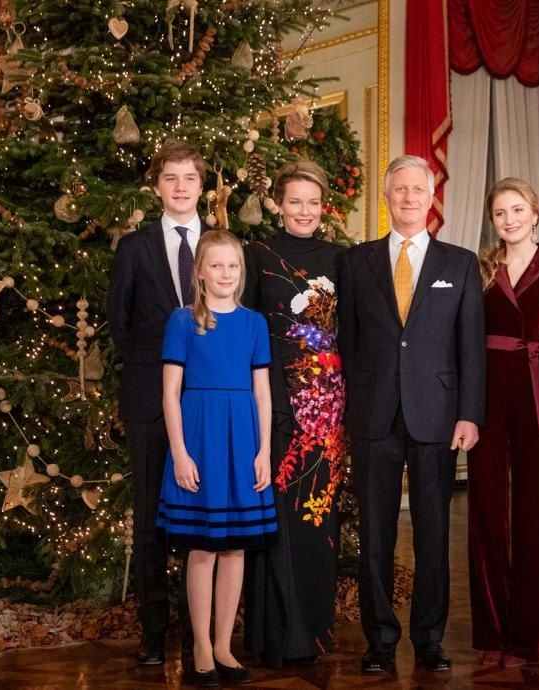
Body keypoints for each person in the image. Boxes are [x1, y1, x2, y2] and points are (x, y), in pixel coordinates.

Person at [337, 154, 486, 674]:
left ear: (431, 197)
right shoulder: (355, 263)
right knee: (375, 534)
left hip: (438, 416)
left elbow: (471, 347)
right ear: (386, 197)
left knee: (432, 534)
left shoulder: (460, 262)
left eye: (416, 189)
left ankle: (428, 638)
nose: (407, 197)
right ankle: (379, 639)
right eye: (398, 189)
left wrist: (469, 413)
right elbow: (347, 344)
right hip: (373, 415)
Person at [157, 230, 277, 687]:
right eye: (217, 265)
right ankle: (201, 646)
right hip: (200, 439)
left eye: (233, 266)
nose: (225, 274)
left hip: (242, 440)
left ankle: (225, 644)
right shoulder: (183, 321)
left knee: (235, 548)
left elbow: (263, 394)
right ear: (200, 272)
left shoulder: (253, 323)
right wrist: (181, 453)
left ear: (240, 272)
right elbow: (170, 393)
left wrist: (263, 451)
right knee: (203, 549)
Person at [467, 178, 539, 668]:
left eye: (517, 210)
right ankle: (492, 633)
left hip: (538, 393)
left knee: (534, 518)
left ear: (536, 214)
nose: (508, 220)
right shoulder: (480, 268)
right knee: (487, 512)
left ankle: (526, 639)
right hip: (487, 394)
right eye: (499, 213)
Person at [107, 139, 208, 666]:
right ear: (156, 187)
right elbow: (119, 325)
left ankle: (199, 634)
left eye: (189, 177)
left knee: (202, 518)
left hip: (210, 406)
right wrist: (158, 368)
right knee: (149, 519)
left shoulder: (222, 245)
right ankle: (152, 630)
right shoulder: (133, 247)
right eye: (170, 178)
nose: (180, 187)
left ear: (202, 185)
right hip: (149, 401)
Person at [242, 160, 345, 668]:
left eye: (312, 202)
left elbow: (351, 334)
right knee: (274, 519)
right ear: (278, 205)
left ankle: (314, 631)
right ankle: (275, 633)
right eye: (294, 201)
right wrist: (269, 403)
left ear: (322, 206)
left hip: (326, 410)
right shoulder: (257, 254)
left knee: (316, 518)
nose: (304, 210)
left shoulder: (340, 259)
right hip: (273, 403)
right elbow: (247, 332)